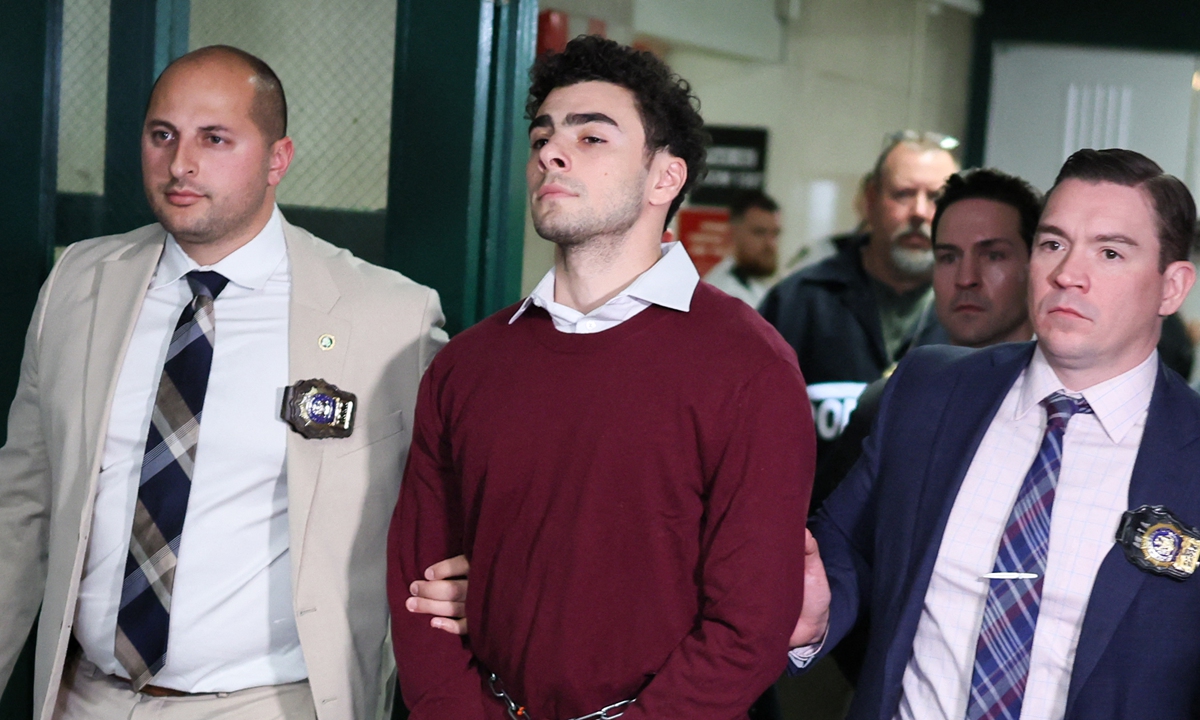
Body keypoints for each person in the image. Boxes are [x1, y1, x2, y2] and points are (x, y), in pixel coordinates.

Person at [0, 45, 445, 719]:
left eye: (215, 139)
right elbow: (21, 508)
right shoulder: (77, 283)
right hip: (84, 697)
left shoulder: (386, 317)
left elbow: (444, 511)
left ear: (277, 158)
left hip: (267, 703)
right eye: (162, 135)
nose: (180, 164)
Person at [388, 36, 815, 720]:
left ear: (664, 179)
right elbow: (418, 592)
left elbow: (751, 625)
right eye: (544, 137)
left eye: (592, 138)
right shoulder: (466, 367)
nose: (551, 153)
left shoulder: (748, 367)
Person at [790, 148, 1200, 720]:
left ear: (1171, 287)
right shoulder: (928, 394)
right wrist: (816, 614)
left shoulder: (1189, 454)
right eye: (1053, 244)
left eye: (1109, 252)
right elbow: (845, 549)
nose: (1066, 275)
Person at [814, 167, 1041, 510]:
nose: (966, 278)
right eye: (948, 257)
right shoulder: (887, 407)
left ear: (1036, 266)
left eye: (993, 255)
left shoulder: (1064, 410)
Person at [759, 133, 958, 456]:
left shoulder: (974, 313)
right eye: (904, 194)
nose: (920, 212)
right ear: (871, 199)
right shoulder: (799, 302)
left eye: (937, 197)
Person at [704, 189, 782, 307]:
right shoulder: (722, 293)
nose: (770, 244)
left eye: (775, 234)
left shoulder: (755, 285)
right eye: (759, 232)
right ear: (732, 234)